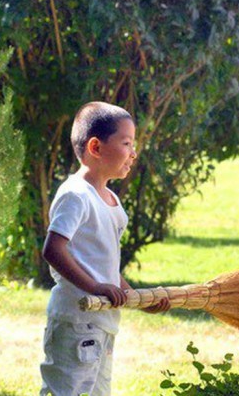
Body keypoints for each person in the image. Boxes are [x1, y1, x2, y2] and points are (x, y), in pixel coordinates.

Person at [40, 101, 170, 396]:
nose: (134, 153)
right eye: (126, 143)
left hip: (103, 322)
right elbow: (53, 249)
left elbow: (106, 268)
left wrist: (138, 298)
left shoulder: (111, 200)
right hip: (76, 321)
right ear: (96, 147)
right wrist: (95, 287)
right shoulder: (76, 195)